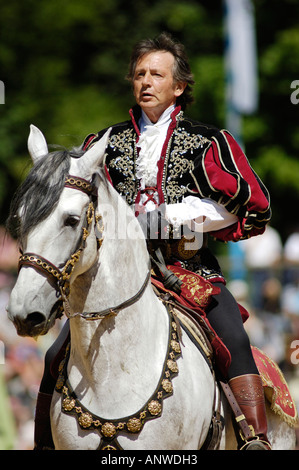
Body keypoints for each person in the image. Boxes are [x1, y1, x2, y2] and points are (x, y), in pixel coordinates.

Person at [35, 33, 272, 450]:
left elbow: (251, 205)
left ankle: (256, 438)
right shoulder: (102, 144)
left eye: (156, 74)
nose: (146, 82)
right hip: (113, 276)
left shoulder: (209, 141)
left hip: (188, 271)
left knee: (232, 337)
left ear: (178, 86)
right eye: (139, 74)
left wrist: (172, 218)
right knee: (56, 353)